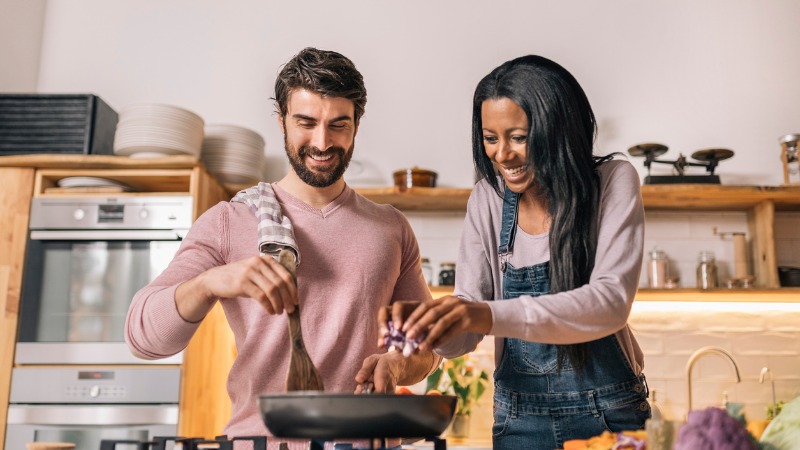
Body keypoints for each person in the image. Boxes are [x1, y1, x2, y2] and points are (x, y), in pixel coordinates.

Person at [126, 47, 438, 446]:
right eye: (306, 122)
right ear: (282, 121)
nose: (322, 142)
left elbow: (426, 348)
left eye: (338, 125)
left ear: (357, 124)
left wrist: (397, 365)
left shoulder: (390, 228)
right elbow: (143, 338)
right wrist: (210, 282)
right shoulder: (231, 221)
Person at [381, 55, 649, 450]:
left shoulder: (612, 182)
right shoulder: (487, 200)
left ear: (557, 129)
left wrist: (483, 313)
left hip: (610, 413)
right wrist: (432, 329)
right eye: (491, 138)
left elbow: (609, 302)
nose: (502, 154)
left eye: (519, 137)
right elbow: (467, 328)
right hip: (519, 420)